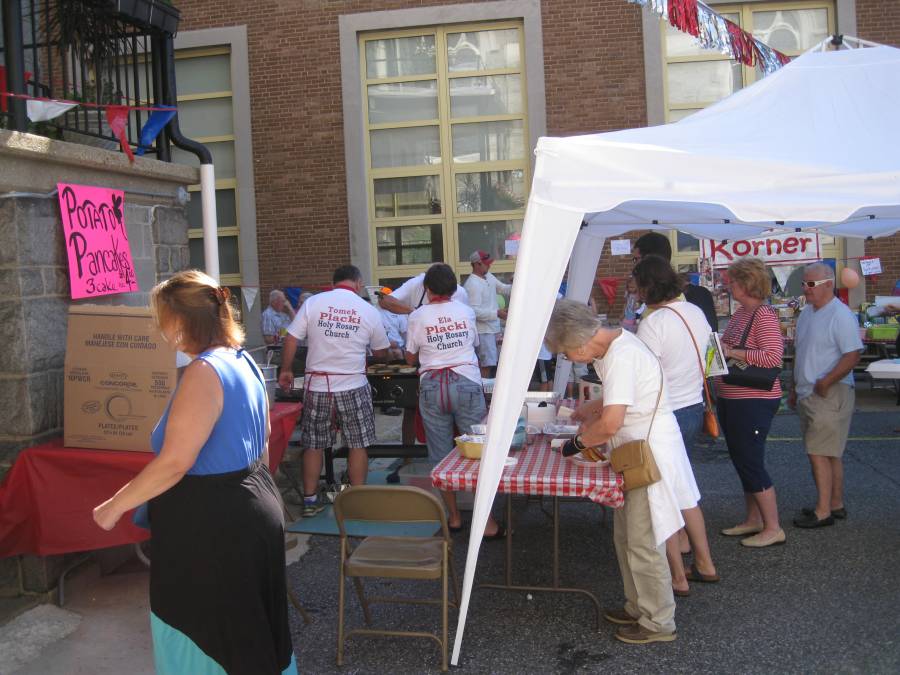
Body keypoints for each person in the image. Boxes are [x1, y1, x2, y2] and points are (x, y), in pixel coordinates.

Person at [92, 270, 296, 674]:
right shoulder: (244, 361)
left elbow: (174, 462)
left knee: (205, 639)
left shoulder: (205, 372)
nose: (160, 330)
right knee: (252, 636)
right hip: (251, 509)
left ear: (179, 321)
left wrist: (113, 507)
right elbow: (264, 439)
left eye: (161, 319)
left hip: (212, 529)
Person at [546, 299, 698, 645]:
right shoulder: (616, 347)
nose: (569, 358)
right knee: (627, 537)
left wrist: (574, 445)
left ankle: (658, 622)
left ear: (580, 343)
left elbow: (611, 424)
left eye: (566, 353)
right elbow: (624, 395)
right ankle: (638, 606)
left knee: (644, 542)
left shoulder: (621, 355)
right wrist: (594, 405)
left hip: (646, 454)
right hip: (635, 452)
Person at [633, 256, 719, 596]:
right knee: (684, 491)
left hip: (663, 416)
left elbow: (644, 377)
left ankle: (676, 576)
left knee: (661, 497)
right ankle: (705, 563)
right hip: (694, 406)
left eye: (637, 286)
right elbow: (711, 358)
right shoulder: (694, 312)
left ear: (647, 287)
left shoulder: (653, 324)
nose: (636, 293)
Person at [278, 265, 390, 516]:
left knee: (314, 445)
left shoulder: (314, 303)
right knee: (358, 444)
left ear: (333, 282)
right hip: (353, 385)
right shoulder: (368, 310)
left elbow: (291, 337)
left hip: (317, 386)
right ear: (358, 284)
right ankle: (357, 501)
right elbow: (381, 351)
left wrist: (286, 369)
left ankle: (309, 501)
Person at [405, 264, 506, 539]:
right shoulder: (466, 311)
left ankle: (454, 517)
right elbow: (474, 344)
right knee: (477, 451)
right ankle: (487, 522)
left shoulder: (417, 315)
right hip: (466, 381)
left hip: (432, 385)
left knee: (440, 456)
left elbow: (411, 358)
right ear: (453, 289)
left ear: (427, 289)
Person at [716, 257, 786, 548]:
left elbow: (773, 357)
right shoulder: (742, 313)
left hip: (753, 400)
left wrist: (734, 352)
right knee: (743, 460)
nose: (727, 286)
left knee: (750, 461)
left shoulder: (763, 314)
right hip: (734, 397)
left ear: (745, 284)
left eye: (731, 281)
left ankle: (773, 527)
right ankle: (754, 519)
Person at [789, 263, 862, 528]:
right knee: (829, 453)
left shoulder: (840, 315)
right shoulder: (807, 313)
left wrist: (826, 381)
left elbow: (853, 354)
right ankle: (835, 503)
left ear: (829, 284)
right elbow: (800, 352)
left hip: (828, 391)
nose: (805, 289)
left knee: (818, 452)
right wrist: (794, 387)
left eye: (811, 284)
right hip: (811, 390)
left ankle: (823, 511)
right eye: (804, 284)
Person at [633, 232, 718, 331]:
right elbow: (712, 335)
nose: (634, 265)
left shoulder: (652, 316)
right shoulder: (701, 295)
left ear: (650, 260)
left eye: (636, 259)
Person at [462, 250, 512, 377]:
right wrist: (497, 313)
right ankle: (483, 388)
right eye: (486, 263)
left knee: (493, 365)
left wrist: (516, 282)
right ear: (477, 264)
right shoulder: (472, 284)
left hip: (492, 329)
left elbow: (503, 288)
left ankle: (489, 388)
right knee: (486, 366)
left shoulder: (488, 276)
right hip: (483, 332)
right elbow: (474, 311)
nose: (489, 265)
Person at [378, 266, 469, 315]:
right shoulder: (416, 283)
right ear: (426, 286)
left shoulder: (460, 292)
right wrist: (415, 312)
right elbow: (383, 300)